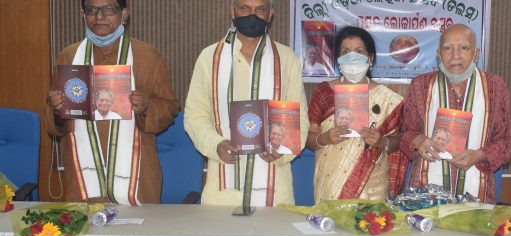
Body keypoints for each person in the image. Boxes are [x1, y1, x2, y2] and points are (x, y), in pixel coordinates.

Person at [44, 0, 179, 205]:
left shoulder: (147, 56)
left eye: (108, 9)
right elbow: (53, 124)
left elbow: (169, 109)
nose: (99, 16)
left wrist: (146, 107)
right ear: (83, 14)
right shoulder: (69, 57)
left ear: (124, 14)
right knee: (85, 235)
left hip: (138, 179)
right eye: (92, 10)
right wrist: (56, 110)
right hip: (82, 180)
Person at [184, 0, 309, 207]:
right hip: (221, 190)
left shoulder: (287, 59)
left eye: (260, 10)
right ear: (232, 11)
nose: (253, 15)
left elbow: (300, 118)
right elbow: (194, 115)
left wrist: (283, 150)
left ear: (271, 14)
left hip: (275, 188)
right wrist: (216, 144)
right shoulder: (210, 58)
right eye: (245, 8)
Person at [399, 24, 511, 204]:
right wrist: (418, 141)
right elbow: (405, 134)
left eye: (463, 48)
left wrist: (480, 155)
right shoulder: (420, 85)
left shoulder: (494, 86)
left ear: (476, 53)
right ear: (439, 53)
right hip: (425, 194)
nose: (455, 55)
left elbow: (507, 141)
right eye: (447, 48)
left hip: (478, 193)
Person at [306, 26, 407, 202]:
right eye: (345, 52)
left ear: (370, 58)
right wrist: (325, 139)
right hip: (330, 186)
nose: (352, 57)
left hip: (372, 186)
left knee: (369, 226)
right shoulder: (324, 92)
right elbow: (307, 138)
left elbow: (398, 142)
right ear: (338, 59)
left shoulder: (390, 99)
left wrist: (381, 141)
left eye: (359, 51)